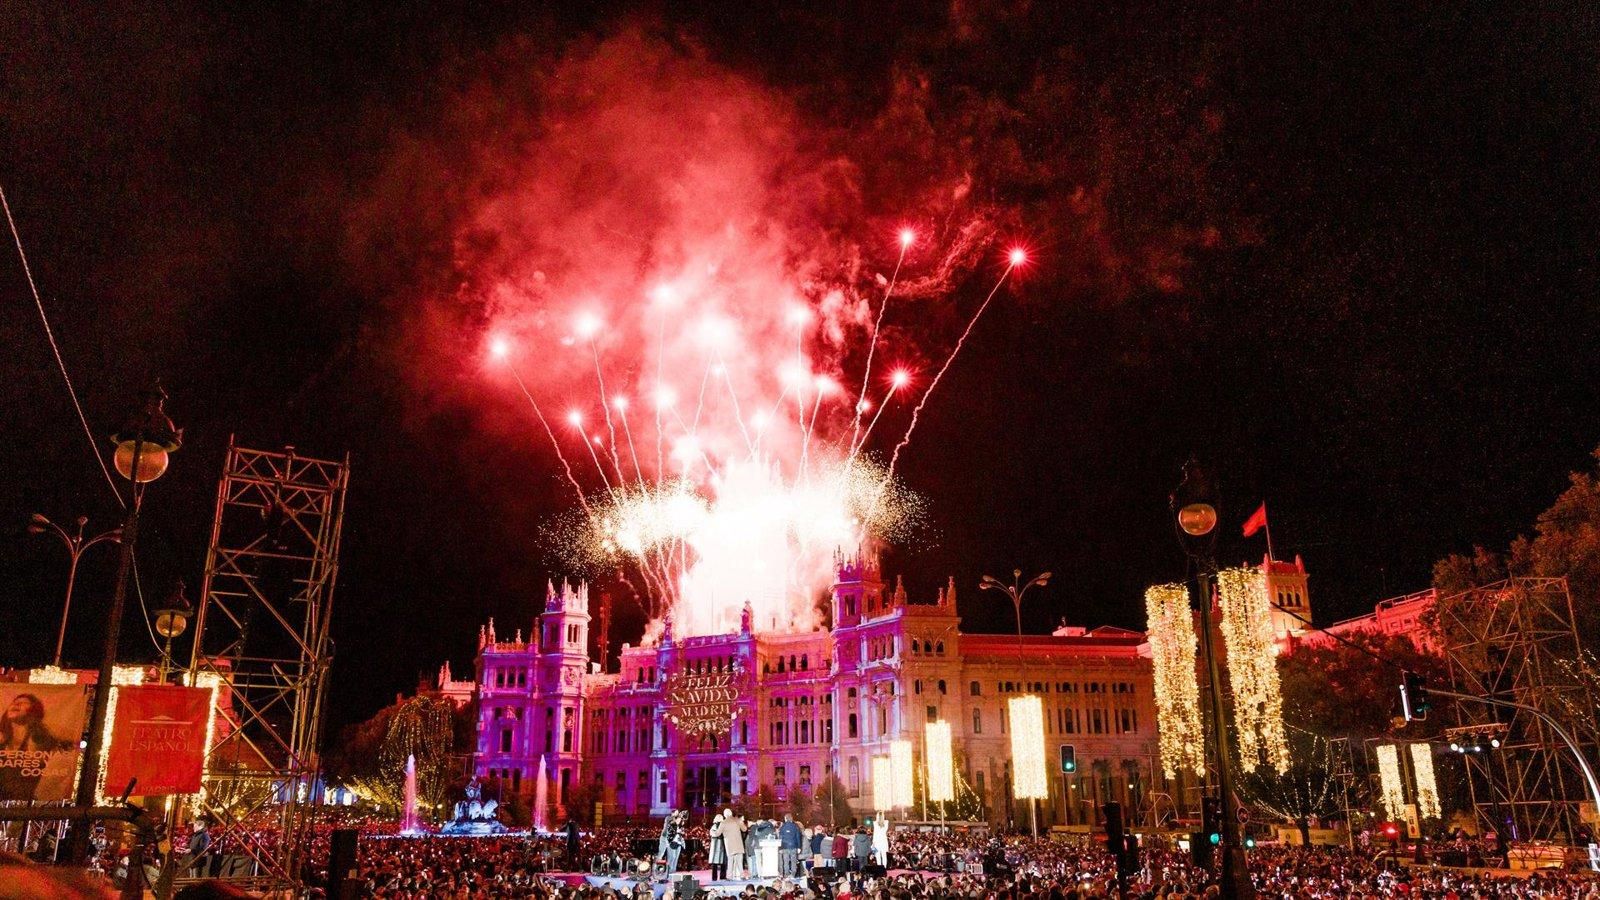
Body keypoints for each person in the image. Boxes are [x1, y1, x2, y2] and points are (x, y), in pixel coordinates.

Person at [0, 693, 69, 802]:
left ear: (33, 710)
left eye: (24, 703)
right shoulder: (2, 739)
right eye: (15, 702)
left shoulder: (40, 740)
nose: (17, 704)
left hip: (24, 806)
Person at [715, 809, 747, 880]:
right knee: (739, 860)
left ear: (725, 815)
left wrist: (713, 831)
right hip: (738, 844)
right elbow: (744, 829)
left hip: (729, 845)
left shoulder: (723, 822)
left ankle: (729, 876)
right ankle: (742, 875)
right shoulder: (738, 820)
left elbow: (717, 833)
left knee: (730, 860)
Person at [779, 814, 803, 878]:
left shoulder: (782, 827)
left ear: (786, 818)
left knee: (786, 861)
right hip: (794, 846)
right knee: (793, 861)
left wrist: (780, 847)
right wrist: (799, 847)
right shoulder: (795, 826)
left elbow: (780, 838)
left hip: (785, 846)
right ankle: (793, 874)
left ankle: (786, 874)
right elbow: (798, 837)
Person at [709, 811, 727, 881]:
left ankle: (714, 877)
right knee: (723, 861)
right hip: (722, 844)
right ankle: (722, 876)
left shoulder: (714, 826)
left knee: (715, 863)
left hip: (715, 845)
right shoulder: (722, 825)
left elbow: (712, 833)